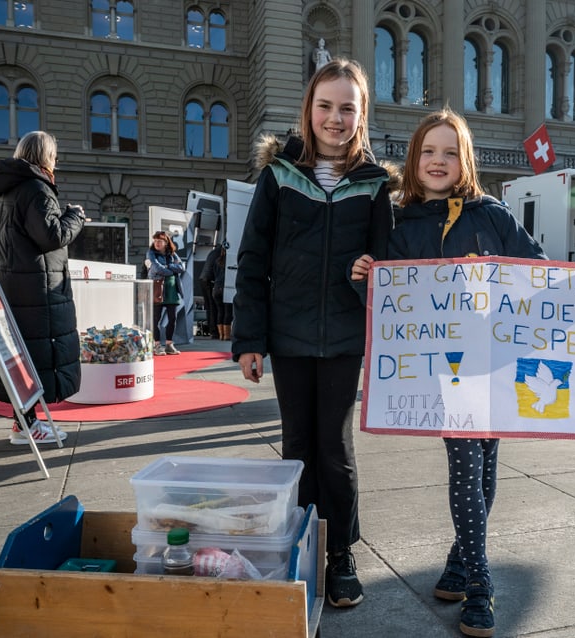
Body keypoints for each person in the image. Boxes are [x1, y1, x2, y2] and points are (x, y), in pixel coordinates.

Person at [351, 109, 575, 638]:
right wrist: (364, 279)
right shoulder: (398, 223)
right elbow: (388, 306)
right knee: (467, 466)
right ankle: (479, 584)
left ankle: (454, 563)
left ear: (464, 158)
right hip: (443, 372)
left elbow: (538, 273)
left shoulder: (493, 215)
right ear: (414, 158)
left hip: (496, 365)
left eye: (450, 152)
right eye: (429, 151)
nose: (438, 161)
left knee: (486, 470)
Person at [232, 58, 394, 609]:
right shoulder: (278, 175)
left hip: (345, 339)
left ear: (362, 114)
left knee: (336, 450)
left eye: (348, 107)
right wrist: (250, 339)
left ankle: (341, 555)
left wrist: (364, 279)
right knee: (297, 447)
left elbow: (387, 270)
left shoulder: (375, 186)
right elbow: (253, 259)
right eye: (325, 106)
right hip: (290, 336)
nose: (335, 117)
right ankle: (299, 547)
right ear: (309, 110)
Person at [0, 130, 85, 444]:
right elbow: (51, 236)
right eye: (53, 156)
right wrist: (75, 216)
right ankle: (26, 427)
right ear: (43, 157)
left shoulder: (9, 190)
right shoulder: (36, 189)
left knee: (22, 357)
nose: (56, 162)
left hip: (16, 286)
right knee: (34, 357)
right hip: (35, 289)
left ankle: (26, 423)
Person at [145, 230, 184, 355]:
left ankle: (169, 344)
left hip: (171, 290)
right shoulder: (151, 253)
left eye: (160, 241)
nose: (157, 243)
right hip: (158, 288)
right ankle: (156, 344)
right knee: (156, 318)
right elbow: (156, 268)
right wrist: (171, 269)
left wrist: (168, 267)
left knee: (173, 318)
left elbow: (182, 267)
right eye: (155, 241)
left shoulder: (172, 254)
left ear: (166, 243)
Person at [199, 243, 222, 338]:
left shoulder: (213, 252)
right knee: (213, 306)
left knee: (209, 306)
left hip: (203, 278)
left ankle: (211, 329)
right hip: (210, 280)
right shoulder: (221, 253)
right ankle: (214, 331)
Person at [212, 244, 232, 340]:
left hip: (216, 287)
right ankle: (227, 335)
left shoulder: (217, 261)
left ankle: (221, 335)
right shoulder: (230, 261)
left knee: (220, 311)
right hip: (226, 287)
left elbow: (214, 274)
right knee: (228, 311)